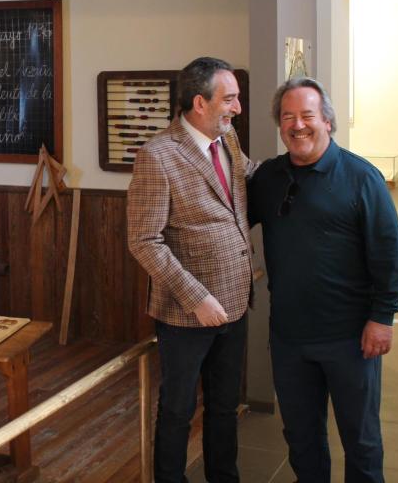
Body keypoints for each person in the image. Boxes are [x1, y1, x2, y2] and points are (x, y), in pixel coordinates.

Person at [248, 77, 398, 483]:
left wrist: (382, 317)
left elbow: (389, 253)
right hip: (289, 337)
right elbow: (225, 220)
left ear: (328, 122)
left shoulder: (361, 178)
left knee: (361, 439)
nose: (297, 125)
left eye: (307, 115)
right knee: (301, 438)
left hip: (350, 338)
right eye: (288, 117)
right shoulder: (268, 178)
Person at [127, 56, 257, 483]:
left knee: (224, 406)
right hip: (187, 313)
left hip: (235, 303)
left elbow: (247, 178)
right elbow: (143, 241)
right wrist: (196, 297)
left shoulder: (228, 137)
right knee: (177, 411)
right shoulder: (158, 156)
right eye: (230, 98)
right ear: (200, 103)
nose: (238, 108)